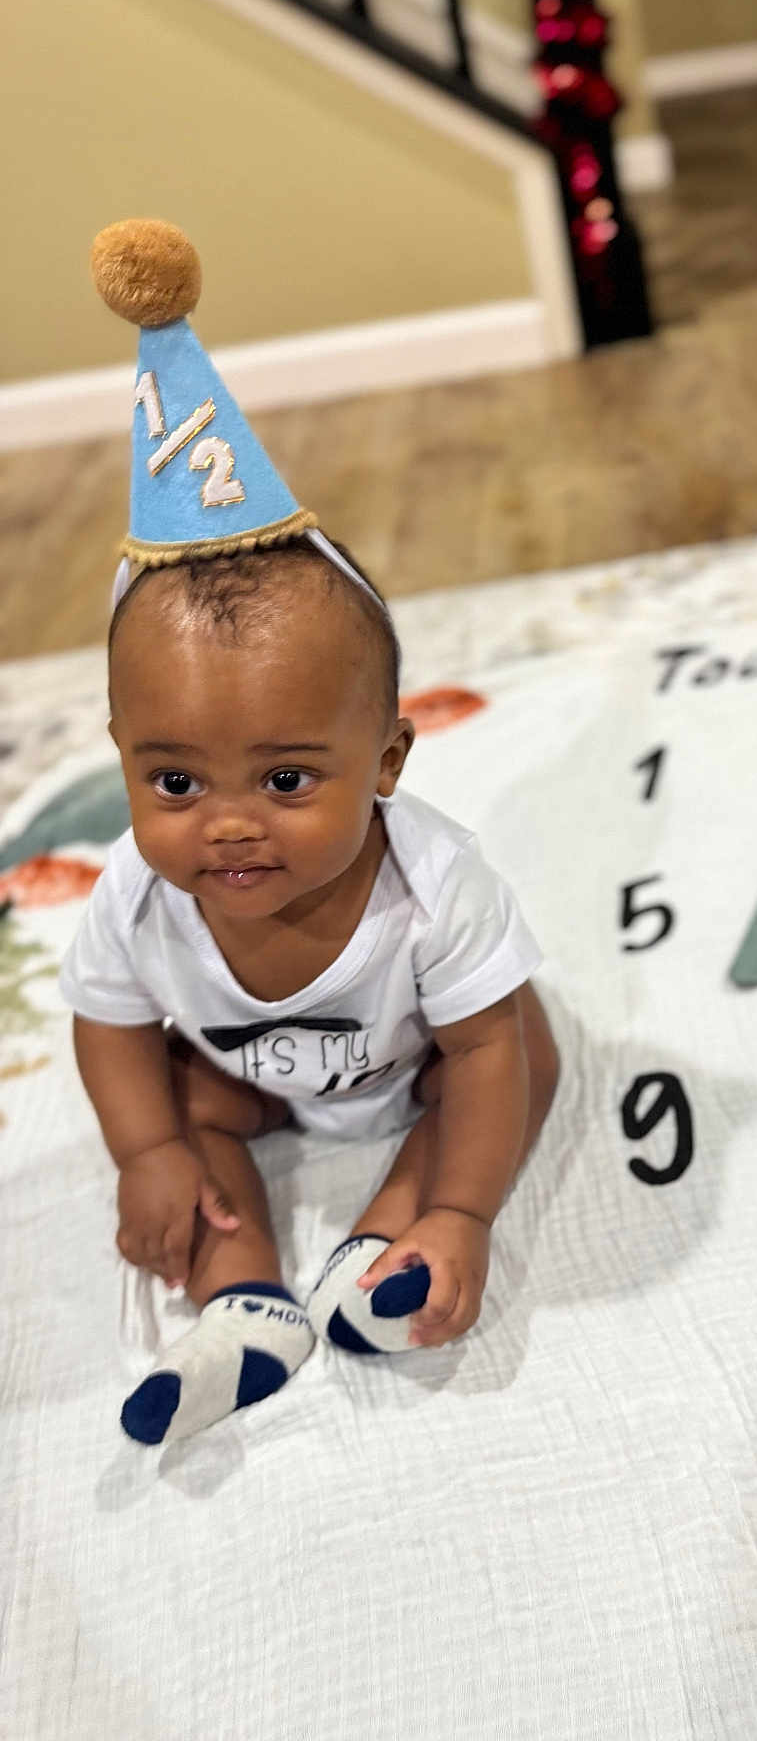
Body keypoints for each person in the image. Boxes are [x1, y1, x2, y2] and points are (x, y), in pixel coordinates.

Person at [59, 220, 557, 1447]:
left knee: (518, 1056)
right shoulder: (134, 895)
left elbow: (483, 1056)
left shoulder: (434, 891)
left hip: (415, 1060)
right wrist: (146, 1154)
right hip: (260, 1087)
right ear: (123, 757)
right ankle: (247, 1306)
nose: (226, 825)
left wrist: (468, 1209)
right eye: (173, 781)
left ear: (387, 759)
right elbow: (109, 1024)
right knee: (189, 1111)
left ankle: (400, 1239)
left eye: (287, 778)